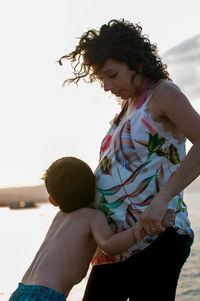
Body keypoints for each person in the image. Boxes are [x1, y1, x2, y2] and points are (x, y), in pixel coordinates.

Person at [58, 19, 200, 301]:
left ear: (136, 62)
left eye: (113, 74)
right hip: (116, 246)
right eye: (102, 79)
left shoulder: (163, 94)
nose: (108, 86)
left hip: (156, 236)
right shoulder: (128, 106)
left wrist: (162, 199)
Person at [9, 156, 176, 300]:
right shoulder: (92, 217)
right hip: (47, 295)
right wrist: (141, 228)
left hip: (21, 290)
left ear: (53, 200)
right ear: (96, 186)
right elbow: (109, 245)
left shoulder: (58, 217)